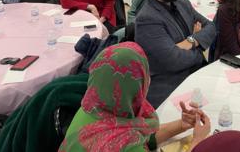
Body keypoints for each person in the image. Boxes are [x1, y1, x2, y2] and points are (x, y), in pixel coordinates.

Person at [59, 42, 212, 152]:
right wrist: (198, 142)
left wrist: (181, 125)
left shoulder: (91, 110)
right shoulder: (122, 143)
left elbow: (144, 138)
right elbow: (133, 142)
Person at [135, 0, 216, 108]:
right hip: (169, 84)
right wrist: (199, 48)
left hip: (195, 72)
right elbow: (173, 60)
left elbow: (211, 27)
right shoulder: (147, 19)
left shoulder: (180, 1)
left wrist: (190, 41)